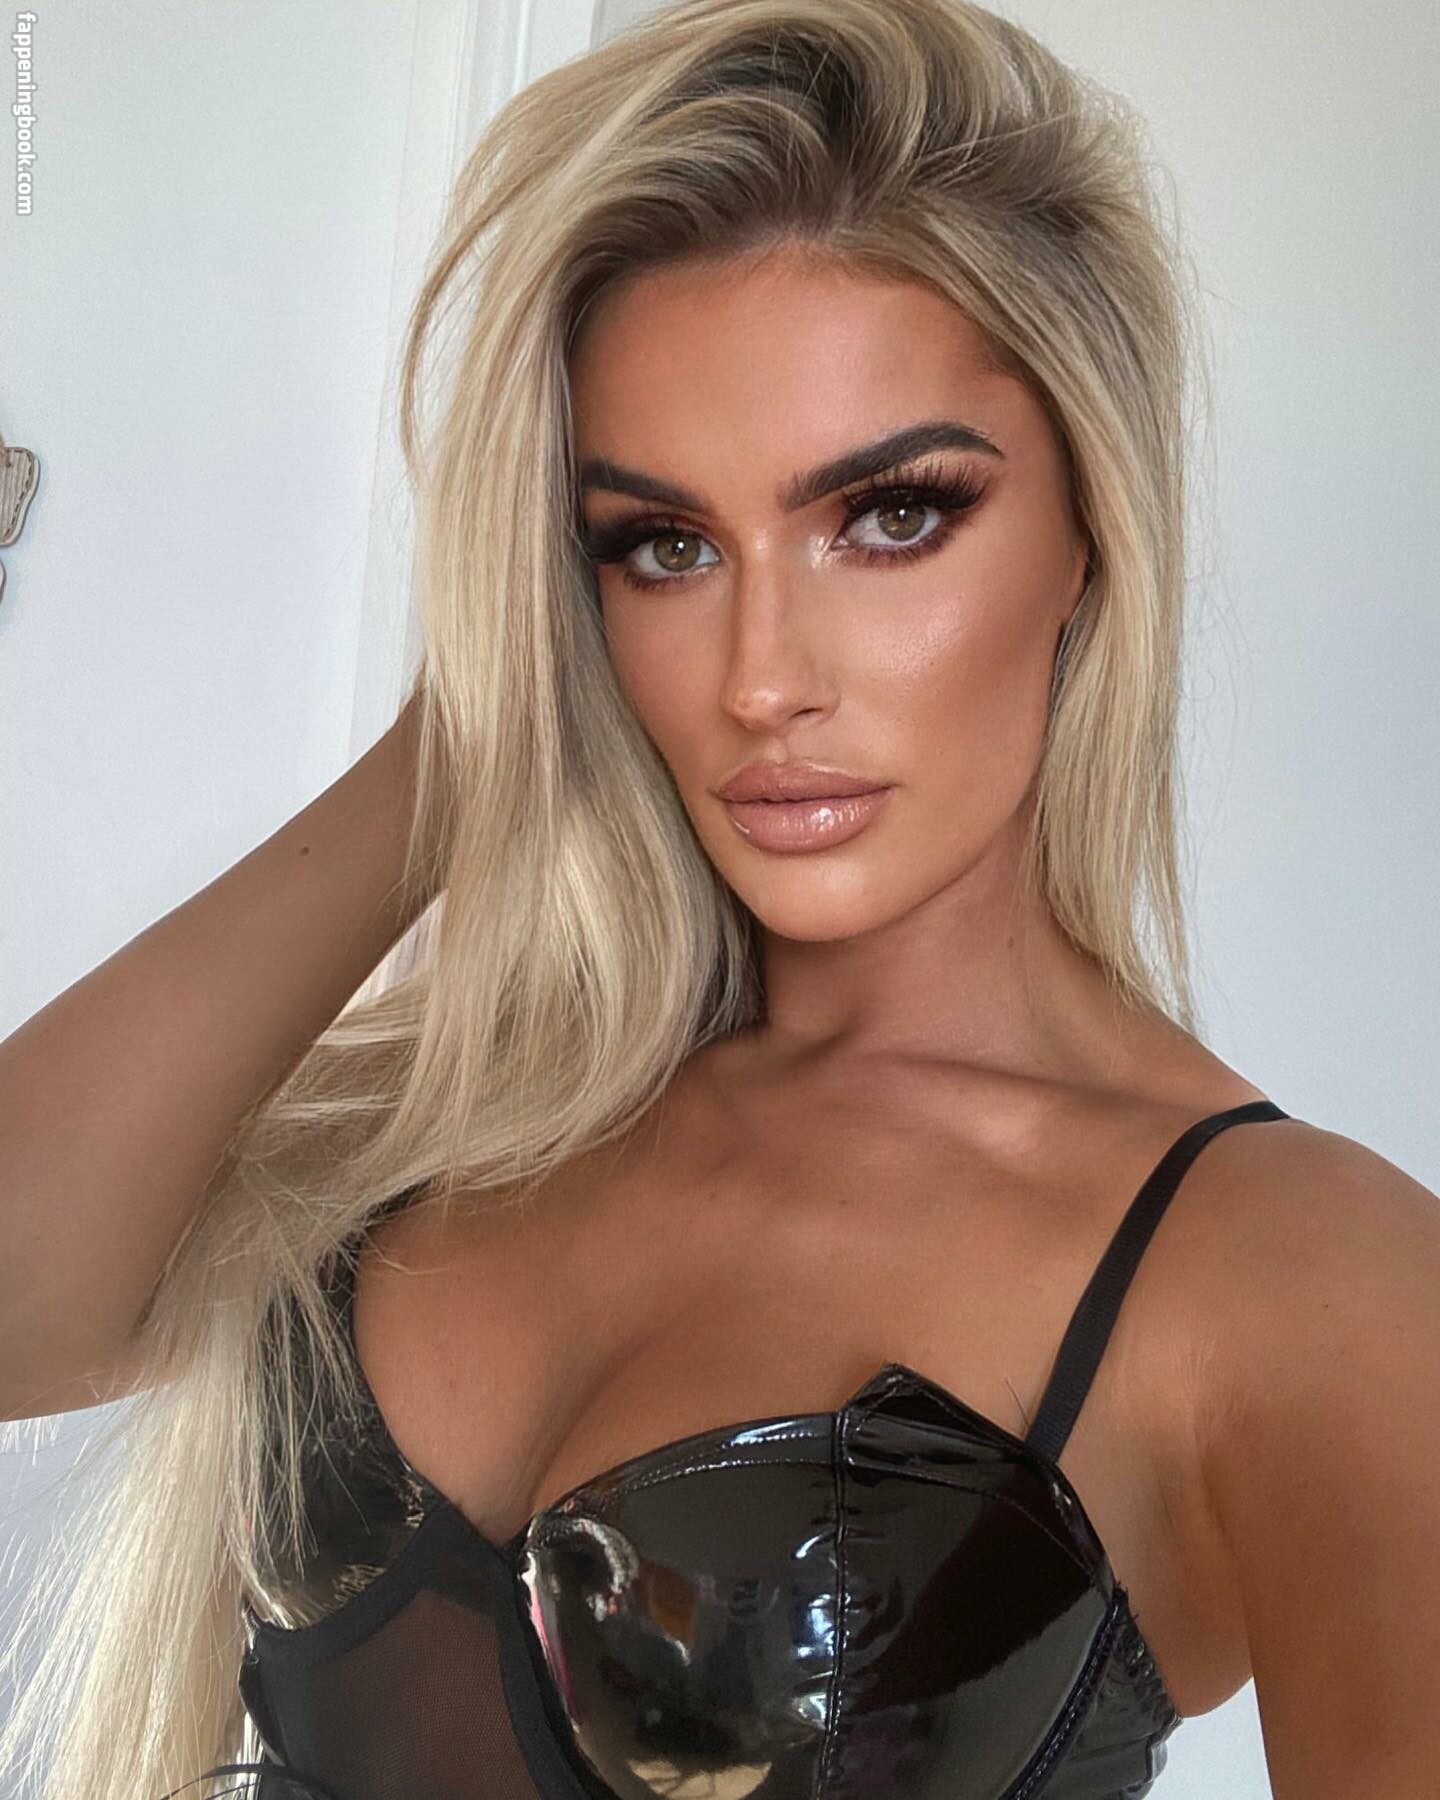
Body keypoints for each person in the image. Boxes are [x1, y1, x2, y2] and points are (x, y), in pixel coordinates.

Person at [2, 0, 1437, 1794]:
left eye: (890, 517)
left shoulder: (1294, 1277)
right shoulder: (471, 1114)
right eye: (662, 545)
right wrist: (491, 718)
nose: (761, 678)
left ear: (1090, 530)